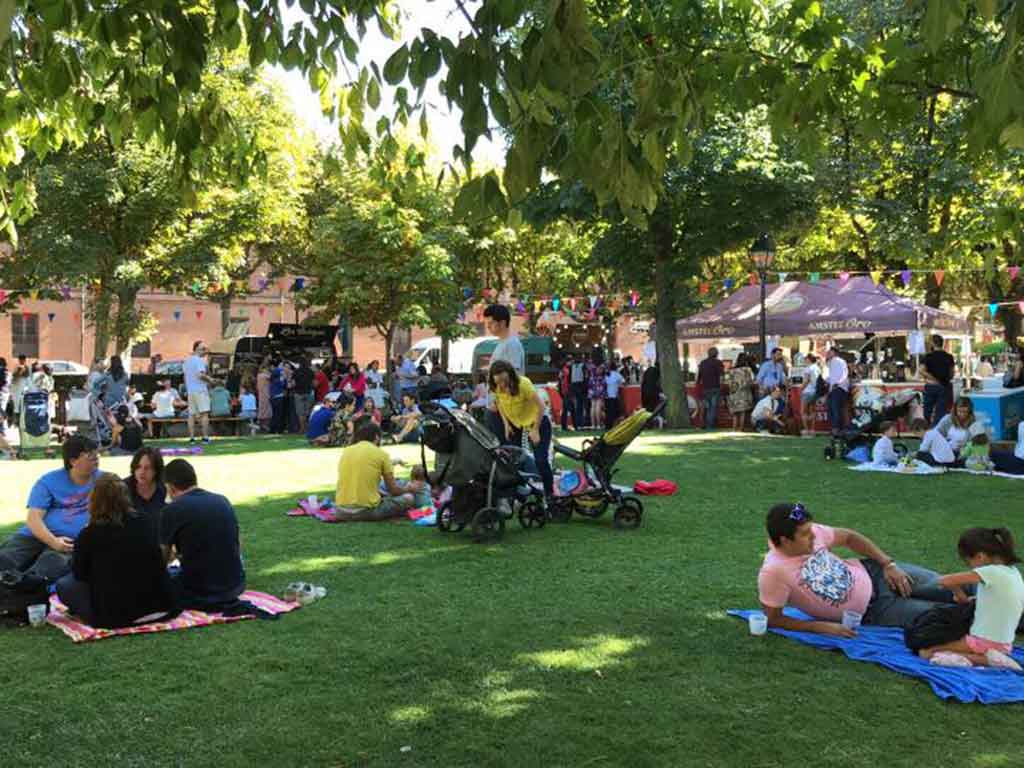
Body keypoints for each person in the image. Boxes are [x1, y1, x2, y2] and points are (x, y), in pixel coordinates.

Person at [758, 502, 967, 634]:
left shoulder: (812, 533)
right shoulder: (773, 572)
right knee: (950, 616)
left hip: (876, 574)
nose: (813, 535)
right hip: (873, 612)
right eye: (805, 534)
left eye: (811, 529)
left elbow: (849, 537)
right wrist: (817, 626)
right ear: (785, 541)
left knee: (956, 586)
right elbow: (774, 619)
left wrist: (887, 563)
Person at [54, 473, 176, 628]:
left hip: (118, 614)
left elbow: (80, 574)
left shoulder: (90, 534)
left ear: (94, 500)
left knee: (64, 585)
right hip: (162, 606)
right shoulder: (145, 522)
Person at [917, 527, 1024, 670]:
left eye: (969, 562)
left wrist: (961, 597)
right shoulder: (1013, 572)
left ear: (980, 556)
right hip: (1004, 643)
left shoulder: (990, 571)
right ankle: (992, 656)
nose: (970, 567)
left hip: (983, 641)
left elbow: (945, 581)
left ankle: (988, 660)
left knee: (925, 652)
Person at [0, 436, 100, 583]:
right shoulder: (49, 481)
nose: (96, 459)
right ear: (73, 461)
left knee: (46, 569)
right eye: (90, 456)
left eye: (97, 454)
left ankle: (24, 589)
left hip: (71, 541)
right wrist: (53, 541)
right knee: (6, 558)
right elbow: (33, 518)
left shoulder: (105, 482)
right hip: (34, 536)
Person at [159, 459, 245, 609]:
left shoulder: (172, 510)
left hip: (200, 592)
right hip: (235, 585)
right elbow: (237, 544)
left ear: (170, 487)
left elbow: (161, 560)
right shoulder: (222, 500)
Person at [490, 359, 555, 499]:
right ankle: (519, 494)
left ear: (510, 375)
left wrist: (536, 429)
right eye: (498, 382)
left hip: (538, 422)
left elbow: (542, 407)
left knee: (541, 460)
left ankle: (550, 494)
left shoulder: (523, 384)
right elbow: (499, 404)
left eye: (504, 381)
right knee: (513, 462)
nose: (501, 385)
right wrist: (506, 424)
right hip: (517, 426)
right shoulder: (497, 387)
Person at [334, 422, 416, 520]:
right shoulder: (381, 454)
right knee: (408, 498)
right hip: (366, 511)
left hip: (340, 511)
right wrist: (409, 489)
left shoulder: (347, 451)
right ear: (376, 437)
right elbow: (393, 490)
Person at [483, 303, 525, 438]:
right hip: (498, 407)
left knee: (507, 449)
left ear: (502, 323)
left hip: (507, 408)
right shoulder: (501, 344)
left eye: (491, 323)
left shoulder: (512, 344)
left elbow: (513, 377)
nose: (488, 326)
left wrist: (498, 402)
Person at [917, 397, 987, 467]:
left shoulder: (974, 422)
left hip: (964, 453)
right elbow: (935, 435)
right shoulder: (947, 419)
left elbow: (979, 442)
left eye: (965, 412)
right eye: (959, 411)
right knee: (922, 455)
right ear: (955, 410)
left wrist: (967, 449)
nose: (962, 414)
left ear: (969, 412)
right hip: (946, 451)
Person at [125, 446, 167, 537]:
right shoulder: (122, 488)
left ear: (156, 470)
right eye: (138, 467)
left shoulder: (164, 488)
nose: (142, 472)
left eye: (147, 468)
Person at [183, 341, 216, 443]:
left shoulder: (186, 361)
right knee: (204, 414)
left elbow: (185, 377)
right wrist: (211, 380)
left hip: (190, 391)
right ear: (196, 349)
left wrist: (187, 388)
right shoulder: (199, 361)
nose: (205, 351)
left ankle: (192, 438)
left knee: (191, 415)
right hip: (200, 390)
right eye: (203, 348)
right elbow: (200, 375)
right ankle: (205, 438)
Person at [922, 334, 956, 426]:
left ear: (933, 343)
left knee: (927, 411)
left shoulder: (928, 356)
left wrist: (934, 379)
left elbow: (922, 371)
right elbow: (952, 373)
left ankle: (927, 428)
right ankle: (938, 430)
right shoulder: (949, 357)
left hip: (931, 386)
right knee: (941, 412)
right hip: (945, 386)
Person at [723, 353, 754, 431]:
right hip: (744, 392)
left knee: (735, 412)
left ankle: (734, 428)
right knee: (742, 412)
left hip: (734, 392)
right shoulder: (748, 369)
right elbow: (751, 381)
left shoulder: (732, 370)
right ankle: (741, 428)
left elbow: (727, 381)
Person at [696, 347, 725, 431]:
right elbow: (722, 376)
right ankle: (710, 425)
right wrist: (722, 385)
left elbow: (699, 377)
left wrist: (698, 384)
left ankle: (705, 424)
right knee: (713, 407)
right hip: (715, 388)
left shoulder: (703, 363)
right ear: (716, 354)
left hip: (705, 388)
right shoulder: (718, 363)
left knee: (707, 407)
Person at [825, 347, 850, 434]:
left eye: (830, 352)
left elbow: (844, 373)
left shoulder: (839, 361)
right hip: (834, 388)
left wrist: (838, 383)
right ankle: (834, 428)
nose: (828, 353)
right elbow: (832, 374)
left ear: (834, 352)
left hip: (838, 388)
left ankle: (836, 429)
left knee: (836, 409)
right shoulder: (831, 362)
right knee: (832, 409)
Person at [799, 354, 822, 437]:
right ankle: (812, 430)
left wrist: (800, 389)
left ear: (808, 360)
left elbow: (806, 381)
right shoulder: (817, 368)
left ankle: (806, 430)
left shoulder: (808, 368)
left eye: (805, 359)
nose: (805, 361)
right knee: (812, 411)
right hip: (815, 392)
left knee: (803, 411)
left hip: (807, 392)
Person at [291, 357, 315, 433]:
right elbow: (314, 383)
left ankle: (302, 429)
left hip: (298, 393)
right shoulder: (311, 371)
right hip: (308, 393)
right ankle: (307, 428)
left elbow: (293, 383)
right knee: (308, 412)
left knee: (300, 413)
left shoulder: (296, 371)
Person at [587, 355, 607, 433]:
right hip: (599, 385)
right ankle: (598, 425)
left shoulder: (591, 365)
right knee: (598, 406)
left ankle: (593, 424)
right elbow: (603, 372)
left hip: (592, 385)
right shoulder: (601, 365)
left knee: (592, 407)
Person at [269, 357, 287, 433]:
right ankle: (279, 429)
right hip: (279, 396)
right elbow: (283, 384)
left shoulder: (272, 380)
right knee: (279, 414)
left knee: (274, 413)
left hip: (272, 397)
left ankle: (272, 429)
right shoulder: (280, 372)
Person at [570, 356, 589, 429]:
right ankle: (585, 422)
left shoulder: (572, 366)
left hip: (574, 386)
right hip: (582, 386)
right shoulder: (583, 366)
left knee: (578, 405)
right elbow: (586, 376)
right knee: (585, 405)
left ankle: (578, 423)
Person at [604, 362, 625, 428]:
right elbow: (623, 381)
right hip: (614, 395)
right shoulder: (617, 374)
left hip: (606, 395)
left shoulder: (606, 374)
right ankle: (614, 425)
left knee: (608, 411)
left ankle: (608, 425)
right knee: (614, 411)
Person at [256, 360, 272, 431]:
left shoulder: (258, 376)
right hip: (266, 394)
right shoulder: (264, 375)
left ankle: (262, 425)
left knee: (262, 409)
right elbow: (271, 377)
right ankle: (265, 425)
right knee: (266, 410)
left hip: (261, 394)